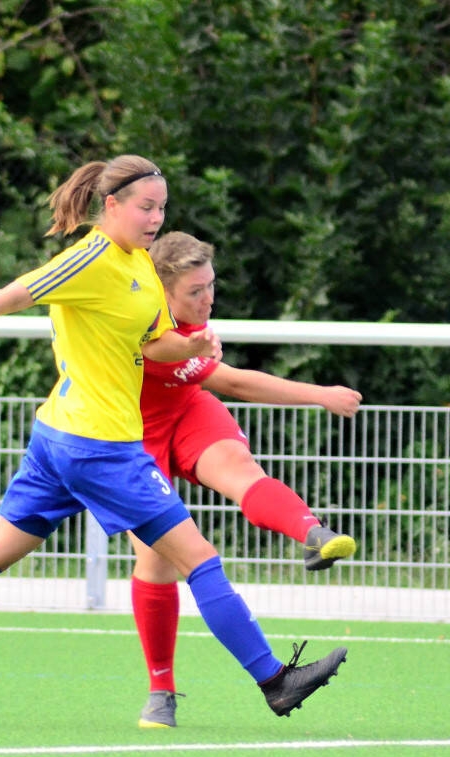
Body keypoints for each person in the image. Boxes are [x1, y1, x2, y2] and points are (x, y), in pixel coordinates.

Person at [0, 154, 347, 718]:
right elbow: (13, 294)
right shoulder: (88, 259)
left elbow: (153, 344)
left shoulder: (141, 264)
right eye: (145, 207)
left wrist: (194, 345)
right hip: (100, 447)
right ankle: (274, 680)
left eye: (161, 207)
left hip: (61, 438)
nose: (155, 218)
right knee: (198, 560)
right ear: (112, 204)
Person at [127, 231, 362, 728]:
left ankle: (313, 533)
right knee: (156, 561)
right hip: (132, 435)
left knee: (240, 470)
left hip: (187, 409)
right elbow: (233, 381)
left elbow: (216, 377)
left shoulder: (190, 325)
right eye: (195, 291)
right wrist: (319, 393)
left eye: (211, 285)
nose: (208, 299)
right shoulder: (144, 327)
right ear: (162, 292)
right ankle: (160, 690)